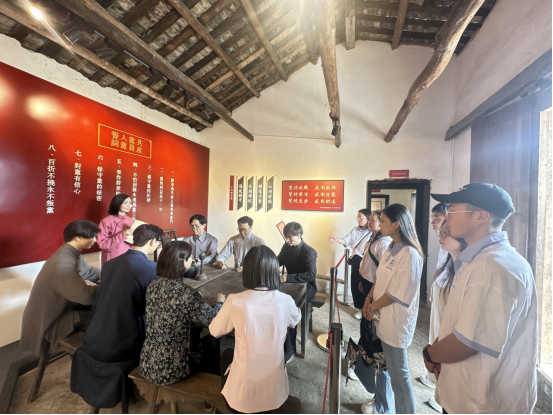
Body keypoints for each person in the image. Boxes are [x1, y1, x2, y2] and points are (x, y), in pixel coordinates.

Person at [424, 184, 538, 414]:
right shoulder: (480, 259)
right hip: (468, 394)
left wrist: (429, 354)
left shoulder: (491, 266)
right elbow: (461, 321)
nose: (447, 217)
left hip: (481, 401)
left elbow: (466, 343)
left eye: (452, 210)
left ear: (481, 216)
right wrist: (438, 348)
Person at [70, 224, 163, 413]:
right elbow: (157, 310)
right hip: (122, 346)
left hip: (92, 339)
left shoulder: (110, 264)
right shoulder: (153, 269)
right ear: (153, 242)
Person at [209, 246, 302, 414]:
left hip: (241, 401)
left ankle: (214, 405)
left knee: (227, 354)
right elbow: (295, 319)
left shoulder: (235, 301)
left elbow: (215, 331)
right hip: (276, 397)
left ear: (247, 272)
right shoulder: (286, 300)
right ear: (273, 271)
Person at [362, 204, 424, 414]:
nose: (379, 224)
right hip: (382, 317)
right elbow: (379, 279)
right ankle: (384, 406)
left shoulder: (410, 254)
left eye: (383, 221)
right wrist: (369, 298)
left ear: (396, 224)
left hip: (395, 322)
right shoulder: (391, 248)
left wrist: (372, 306)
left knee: (400, 376)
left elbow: (397, 293)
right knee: (384, 368)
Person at [140, 241, 226, 386]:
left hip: (148, 363)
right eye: (189, 257)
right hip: (175, 368)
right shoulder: (188, 294)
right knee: (213, 339)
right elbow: (214, 322)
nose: (192, 260)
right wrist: (219, 302)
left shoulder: (152, 286)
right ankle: (208, 386)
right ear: (182, 262)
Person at [20, 220, 101, 357]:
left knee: (99, 308)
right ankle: (95, 359)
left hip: (59, 311)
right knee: (103, 316)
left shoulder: (70, 253)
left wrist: (113, 276)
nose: (95, 240)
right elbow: (85, 296)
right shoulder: (63, 263)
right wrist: (111, 286)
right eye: (92, 236)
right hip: (49, 322)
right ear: (78, 237)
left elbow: (89, 272)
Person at [424, 220, 468, 413]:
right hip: (442, 340)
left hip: (454, 349)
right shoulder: (451, 264)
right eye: (440, 232)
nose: (440, 236)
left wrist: (431, 354)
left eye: (446, 233)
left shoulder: (468, 269)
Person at [355, 210, 393, 404]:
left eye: (375, 219)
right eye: (369, 219)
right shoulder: (374, 238)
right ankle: (364, 362)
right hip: (370, 286)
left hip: (376, 291)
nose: (370, 222)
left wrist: (371, 299)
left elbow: (383, 275)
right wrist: (365, 284)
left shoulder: (384, 242)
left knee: (374, 333)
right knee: (367, 328)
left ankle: (381, 397)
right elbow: (369, 264)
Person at [418, 203, 449, 401]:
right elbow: (440, 266)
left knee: (442, 333)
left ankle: (441, 386)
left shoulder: (455, 242)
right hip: (439, 290)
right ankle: (433, 378)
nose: (433, 223)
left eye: (437, 218)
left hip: (447, 295)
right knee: (435, 330)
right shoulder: (444, 241)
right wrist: (433, 284)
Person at [277, 222, 317, 362]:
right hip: (290, 285)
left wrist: (289, 278)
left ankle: (289, 350)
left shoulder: (309, 252)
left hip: (307, 287)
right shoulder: (286, 247)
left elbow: (310, 275)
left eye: (290, 237)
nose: (287, 240)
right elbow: (277, 261)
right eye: (285, 237)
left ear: (299, 235)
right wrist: (265, 264)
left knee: (287, 309)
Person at [329, 209, 372, 319]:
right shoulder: (355, 230)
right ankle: (359, 307)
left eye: (360, 217)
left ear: (368, 218)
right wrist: (337, 239)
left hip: (367, 262)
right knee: (355, 283)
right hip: (356, 260)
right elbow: (346, 240)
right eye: (357, 217)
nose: (358, 219)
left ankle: (367, 308)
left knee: (365, 284)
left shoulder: (372, 232)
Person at [97, 194, 134, 267]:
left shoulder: (130, 221)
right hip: (112, 258)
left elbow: (132, 242)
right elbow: (102, 244)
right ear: (117, 203)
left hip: (128, 257)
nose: (129, 205)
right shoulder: (105, 221)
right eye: (125, 203)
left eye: (130, 203)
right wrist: (123, 234)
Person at [183, 214, 218, 279]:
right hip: (190, 270)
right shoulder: (186, 240)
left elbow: (213, 257)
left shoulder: (212, 240)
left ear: (204, 225)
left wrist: (197, 261)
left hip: (207, 270)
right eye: (192, 226)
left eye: (196, 226)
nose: (194, 228)